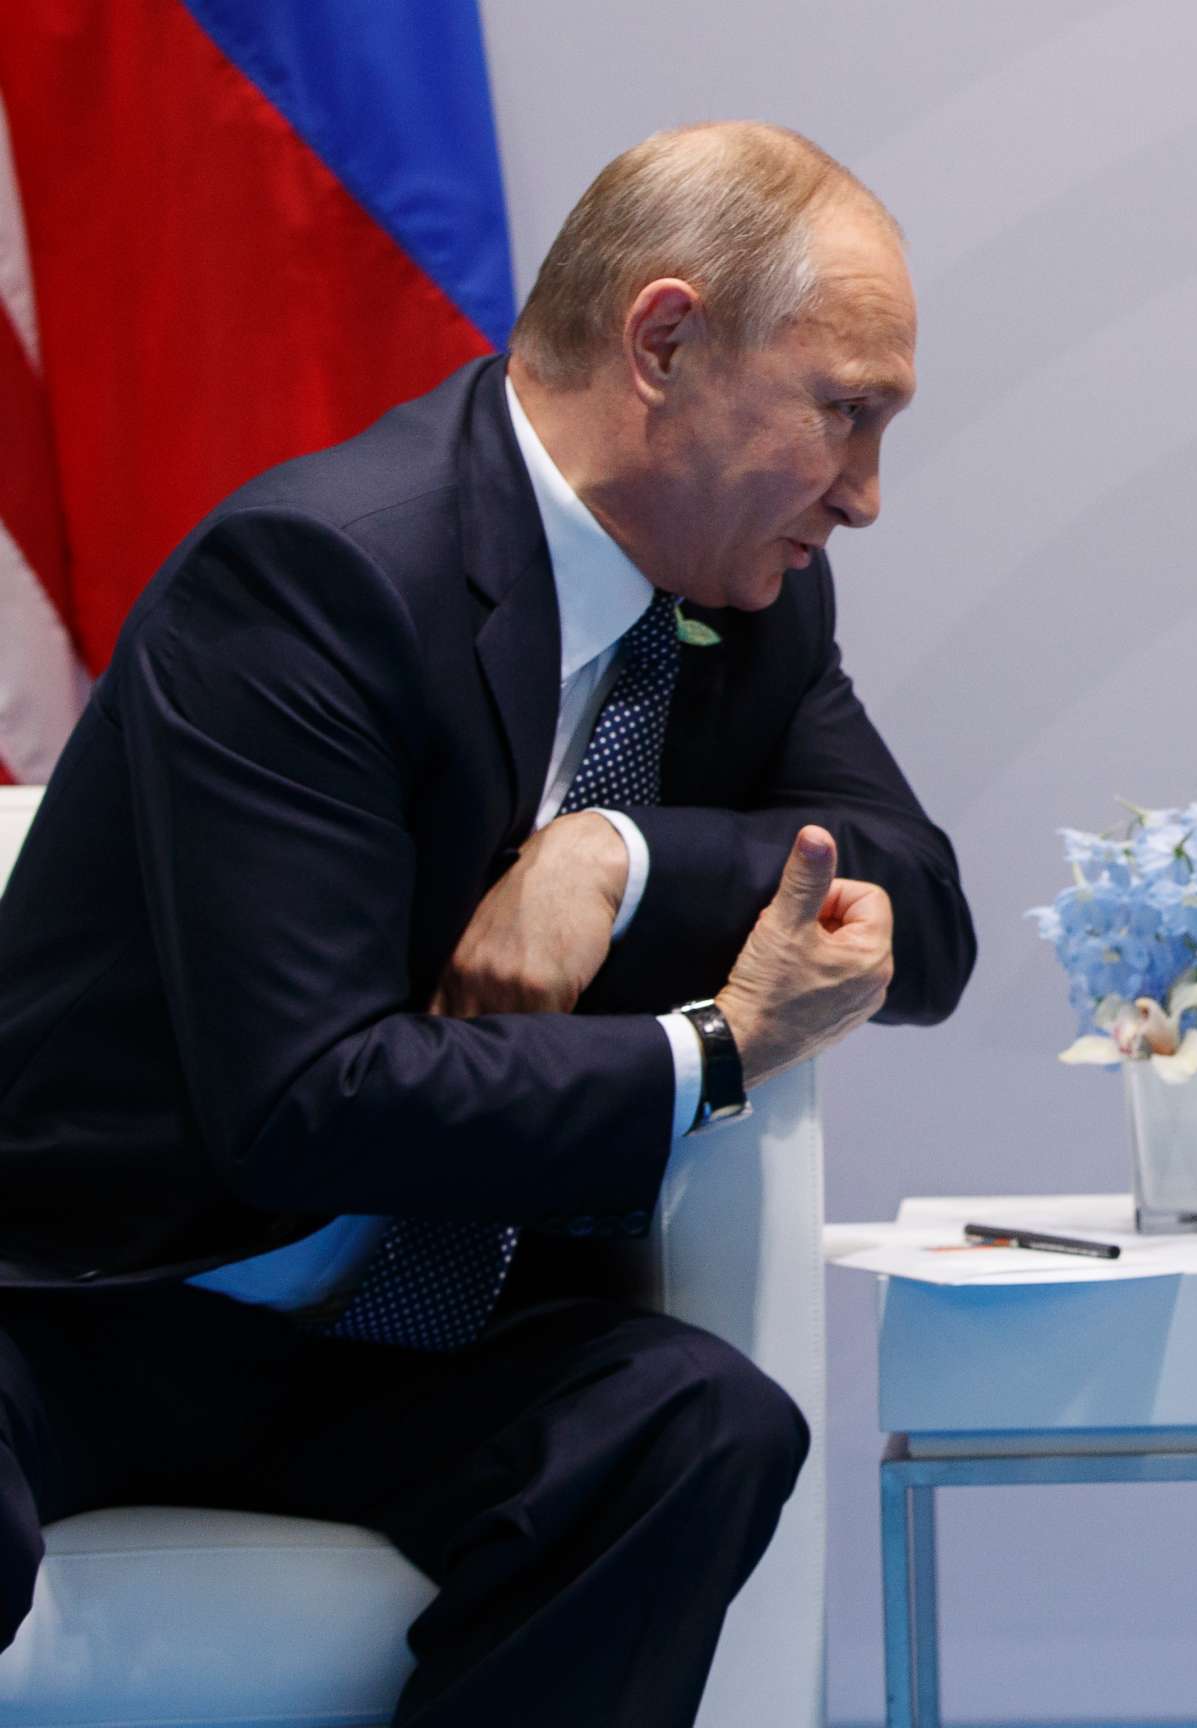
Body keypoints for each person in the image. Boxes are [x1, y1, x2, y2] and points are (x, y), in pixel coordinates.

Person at [0, 122, 976, 1725]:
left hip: (400, 1344)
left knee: (698, 1426)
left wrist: (620, 853)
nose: (865, 496)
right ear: (664, 340)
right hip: (92, 1306)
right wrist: (714, 1054)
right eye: (845, 414)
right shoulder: (320, 578)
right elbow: (307, 1109)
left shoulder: (752, 595)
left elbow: (919, 915)